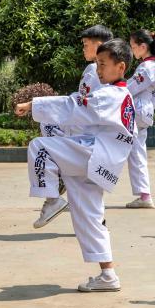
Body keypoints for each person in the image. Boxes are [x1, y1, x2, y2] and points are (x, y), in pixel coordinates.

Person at [16, 39, 137, 292]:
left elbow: (73, 106)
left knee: (40, 147)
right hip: (101, 162)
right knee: (89, 217)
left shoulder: (110, 95)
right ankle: (108, 275)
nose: (98, 70)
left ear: (121, 67)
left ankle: (52, 200)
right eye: (97, 64)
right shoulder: (120, 95)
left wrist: (34, 104)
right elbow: (80, 109)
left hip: (93, 154)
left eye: (103, 64)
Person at [33, 24, 113, 229]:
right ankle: (97, 223)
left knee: (42, 140)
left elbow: (83, 104)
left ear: (99, 45)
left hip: (87, 137)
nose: (83, 49)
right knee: (88, 189)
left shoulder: (97, 72)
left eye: (86, 45)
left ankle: (54, 191)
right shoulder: (98, 71)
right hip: (92, 136)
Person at [124, 30, 155, 209]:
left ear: (143, 47)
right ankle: (144, 195)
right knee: (136, 152)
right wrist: (148, 107)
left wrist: (112, 91)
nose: (132, 50)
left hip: (136, 112)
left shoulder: (146, 67)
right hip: (143, 112)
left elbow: (129, 88)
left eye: (133, 46)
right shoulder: (154, 66)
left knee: (130, 152)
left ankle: (144, 195)